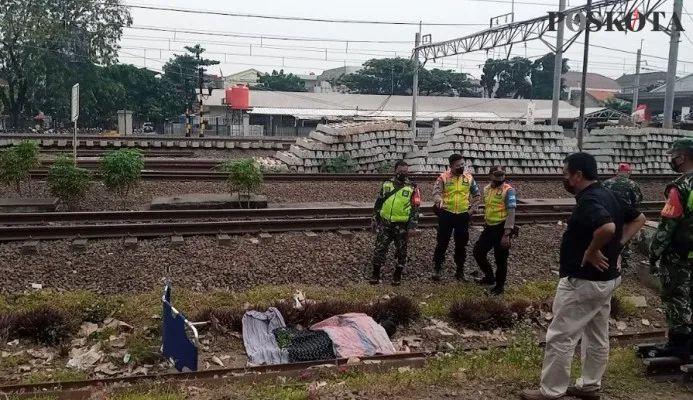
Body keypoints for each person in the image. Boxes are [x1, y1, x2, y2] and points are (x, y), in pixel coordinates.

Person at [521, 152, 645, 400]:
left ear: (578, 175)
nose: (564, 179)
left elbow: (607, 227)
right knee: (596, 335)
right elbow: (639, 218)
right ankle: (590, 385)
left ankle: (551, 391)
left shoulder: (590, 199)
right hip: (606, 278)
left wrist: (592, 250)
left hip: (584, 280)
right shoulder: (607, 192)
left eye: (565, 174)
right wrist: (617, 246)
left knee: (561, 336)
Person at [648, 138, 693, 361]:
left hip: (680, 254)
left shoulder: (681, 187)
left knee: (676, 296)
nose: (671, 160)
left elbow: (668, 223)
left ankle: (679, 344)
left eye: (673, 156)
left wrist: (654, 251)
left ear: (682, 157)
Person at [370, 160, 420, 286]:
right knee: (380, 248)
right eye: (400, 171)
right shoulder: (387, 184)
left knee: (402, 250)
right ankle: (375, 272)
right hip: (385, 223)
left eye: (405, 171)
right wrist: (374, 218)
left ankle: (397, 274)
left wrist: (412, 226)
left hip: (402, 225)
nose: (402, 173)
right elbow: (379, 202)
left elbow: (415, 208)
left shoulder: (413, 187)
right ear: (395, 170)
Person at [432, 154, 481, 282]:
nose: (461, 167)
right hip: (446, 214)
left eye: (462, 165)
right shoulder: (443, 177)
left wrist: (471, 211)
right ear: (451, 166)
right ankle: (437, 267)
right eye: (458, 165)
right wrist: (439, 201)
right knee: (442, 242)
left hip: (462, 216)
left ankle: (460, 270)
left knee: (461, 244)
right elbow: (436, 192)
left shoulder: (469, 177)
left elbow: (477, 195)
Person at [472, 166, 517, 296]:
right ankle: (489, 277)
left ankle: (499, 286)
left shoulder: (508, 191)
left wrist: (507, 233)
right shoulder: (487, 189)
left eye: (502, 175)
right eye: (497, 175)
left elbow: (511, 213)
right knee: (478, 252)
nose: (500, 178)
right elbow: (490, 206)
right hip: (489, 227)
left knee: (501, 259)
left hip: (502, 228)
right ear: (490, 175)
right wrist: (480, 211)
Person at [603, 163, 644, 269]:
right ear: (629, 172)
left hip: (607, 214)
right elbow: (638, 201)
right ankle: (624, 260)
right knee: (625, 236)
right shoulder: (632, 184)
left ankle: (606, 255)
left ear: (617, 171)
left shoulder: (606, 182)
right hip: (625, 216)